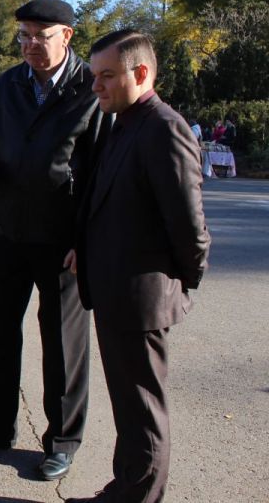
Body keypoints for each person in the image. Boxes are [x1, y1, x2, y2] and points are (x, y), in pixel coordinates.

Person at [0, 0, 110, 480]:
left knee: (62, 342)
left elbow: (102, 171)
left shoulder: (90, 87)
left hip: (64, 238)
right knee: (1, 334)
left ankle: (62, 439)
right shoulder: (8, 84)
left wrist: (89, 238)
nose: (30, 45)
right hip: (10, 229)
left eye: (41, 35)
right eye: (23, 36)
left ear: (67, 36)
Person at [66, 30, 210, 503]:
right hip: (114, 292)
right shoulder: (125, 123)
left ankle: (139, 497)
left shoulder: (164, 128)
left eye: (107, 76)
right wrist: (83, 249)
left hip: (140, 296)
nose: (96, 87)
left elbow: (189, 226)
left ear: (141, 73)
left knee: (144, 412)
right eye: (94, 76)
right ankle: (125, 488)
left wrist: (181, 283)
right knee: (130, 410)